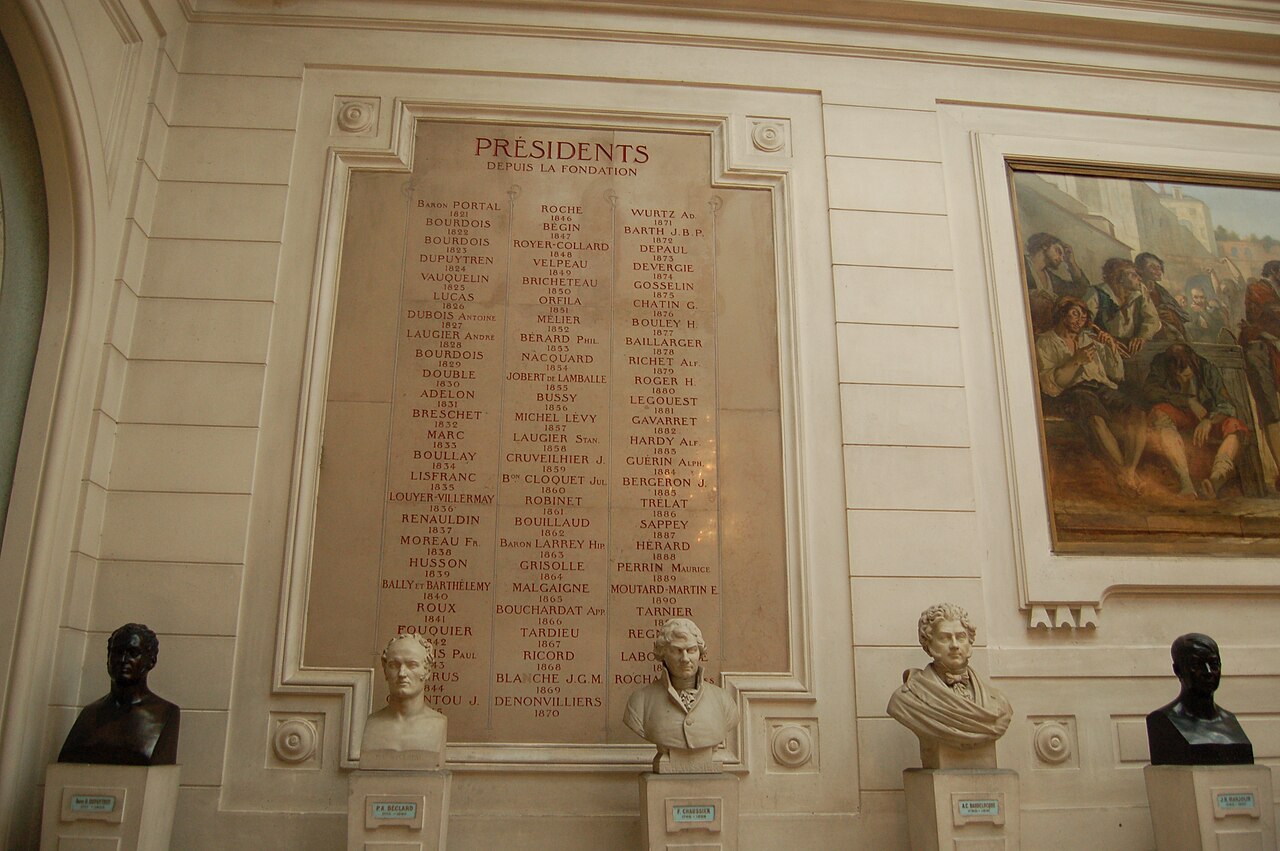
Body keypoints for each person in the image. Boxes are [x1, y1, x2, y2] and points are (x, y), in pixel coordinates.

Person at [1036, 296, 1147, 496]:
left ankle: (1128, 471)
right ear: (1062, 314)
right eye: (1074, 314)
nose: (1080, 320)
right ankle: (1125, 473)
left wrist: (1111, 348)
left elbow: (1116, 374)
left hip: (1101, 388)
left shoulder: (1089, 339)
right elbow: (1050, 384)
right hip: (1074, 391)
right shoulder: (1046, 341)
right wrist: (1075, 361)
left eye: (1083, 316)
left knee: (1137, 413)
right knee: (1095, 420)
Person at [886, 604, 1011, 761]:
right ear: (929, 645)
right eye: (945, 638)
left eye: (960, 637)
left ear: (970, 642)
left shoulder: (998, 702)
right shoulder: (906, 699)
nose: (954, 645)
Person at [58, 624, 180, 765]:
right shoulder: (89, 714)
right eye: (117, 652)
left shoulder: (166, 713)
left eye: (133, 653)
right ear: (108, 658)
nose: (123, 660)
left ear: (151, 661)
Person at [623, 617, 739, 765]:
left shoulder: (723, 700)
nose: (685, 659)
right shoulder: (640, 702)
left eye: (691, 650)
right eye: (676, 651)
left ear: (700, 653)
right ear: (663, 655)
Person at [1143, 344, 1249, 499]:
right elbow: (1150, 392)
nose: (1183, 380)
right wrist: (1187, 401)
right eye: (1178, 377)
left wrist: (1209, 422)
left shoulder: (1207, 369)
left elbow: (1227, 405)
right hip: (1179, 416)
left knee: (1235, 426)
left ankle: (1214, 481)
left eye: (1187, 376)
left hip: (1207, 419)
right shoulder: (1160, 364)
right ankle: (1186, 484)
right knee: (1159, 413)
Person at [1146, 633, 1253, 765]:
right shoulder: (1163, 721)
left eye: (1214, 664)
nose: (1208, 672)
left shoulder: (1230, 720)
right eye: (1198, 665)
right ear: (1177, 670)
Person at [360, 634, 447, 766]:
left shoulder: (437, 723)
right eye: (394, 665)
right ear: (385, 671)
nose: (402, 673)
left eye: (412, 665)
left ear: (427, 671)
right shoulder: (372, 724)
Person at [1239, 260, 1280, 489]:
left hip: (1274, 351)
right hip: (1259, 351)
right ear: (1274, 272)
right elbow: (1263, 319)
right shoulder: (1258, 289)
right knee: (1271, 411)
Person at [1086, 258, 1161, 356]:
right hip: (1104, 348)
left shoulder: (1140, 291)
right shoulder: (1096, 293)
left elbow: (1153, 319)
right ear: (1118, 278)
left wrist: (1142, 337)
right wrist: (1102, 337)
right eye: (1133, 275)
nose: (1140, 278)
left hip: (1132, 346)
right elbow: (1082, 322)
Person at [1022, 232, 1092, 334]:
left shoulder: (1054, 280)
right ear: (1045, 245)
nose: (1062, 258)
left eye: (1063, 256)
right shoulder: (1020, 263)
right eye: (1058, 251)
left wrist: (1071, 263)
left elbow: (1082, 289)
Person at [1135, 252, 1190, 341]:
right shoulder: (1135, 290)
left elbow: (1179, 315)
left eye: (1159, 268)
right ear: (1140, 269)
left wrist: (1174, 317)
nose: (1158, 271)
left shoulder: (1162, 292)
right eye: (1152, 267)